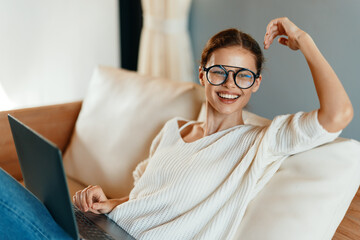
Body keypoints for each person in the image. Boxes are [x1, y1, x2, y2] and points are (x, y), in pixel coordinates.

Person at [0, 17, 353, 239]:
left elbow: (338, 115)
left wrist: (303, 40)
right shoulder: (172, 130)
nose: (230, 85)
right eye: (219, 71)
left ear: (255, 83)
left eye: (243, 75)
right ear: (202, 74)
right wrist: (105, 204)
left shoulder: (261, 143)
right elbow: (142, 199)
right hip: (105, 232)